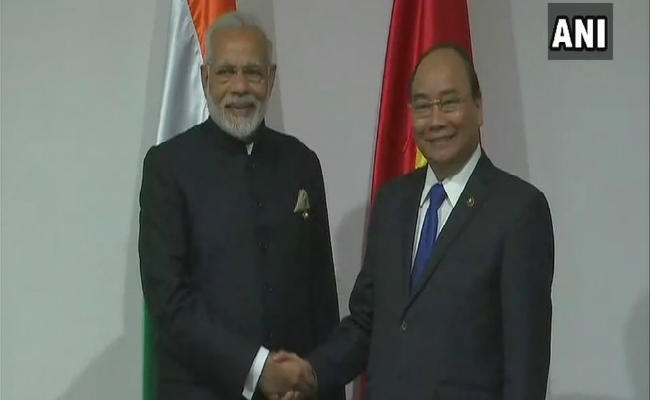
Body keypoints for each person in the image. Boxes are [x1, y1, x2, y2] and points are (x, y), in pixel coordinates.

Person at [275, 43, 555, 400]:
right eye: (423, 106)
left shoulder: (518, 210)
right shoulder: (392, 202)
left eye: (449, 103)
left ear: (479, 107)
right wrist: (310, 373)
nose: (435, 120)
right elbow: (365, 324)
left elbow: (525, 367)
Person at [138, 11, 344, 400]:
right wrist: (258, 369)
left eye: (252, 72)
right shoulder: (168, 166)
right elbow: (169, 301)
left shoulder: (302, 163)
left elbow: (321, 297)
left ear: (271, 79)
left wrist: (319, 383)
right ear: (205, 78)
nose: (240, 87)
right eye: (226, 72)